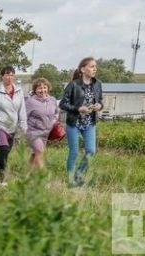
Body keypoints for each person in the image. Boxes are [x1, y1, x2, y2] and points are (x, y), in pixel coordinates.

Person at [59, 57, 103, 186]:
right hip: (74, 123)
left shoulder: (98, 84)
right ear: (83, 69)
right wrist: (79, 109)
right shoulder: (73, 85)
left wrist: (99, 106)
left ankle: (79, 174)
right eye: (91, 66)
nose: (94, 69)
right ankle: (71, 179)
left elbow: (100, 100)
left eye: (95, 67)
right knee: (74, 152)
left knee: (91, 151)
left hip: (89, 123)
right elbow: (63, 104)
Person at [0, 66, 27, 185]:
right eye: (7, 75)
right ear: (2, 76)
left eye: (12, 75)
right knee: (3, 149)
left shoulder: (19, 91)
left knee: (5, 153)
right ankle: (3, 180)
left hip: (12, 127)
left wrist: (23, 124)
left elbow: (22, 109)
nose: (9, 77)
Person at [25, 78, 59, 170]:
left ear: (48, 88)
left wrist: (53, 121)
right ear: (35, 90)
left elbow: (56, 113)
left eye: (45, 87)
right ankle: (42, 177)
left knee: (35, 154)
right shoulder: (30, 102)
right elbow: (24, 117)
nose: (42, 90)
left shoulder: (52, 100)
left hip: (46, 132)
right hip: (33, 132)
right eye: (39, 88)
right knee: (40, 151)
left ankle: (27, 175)